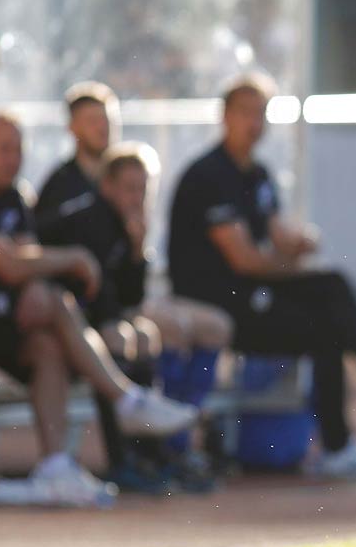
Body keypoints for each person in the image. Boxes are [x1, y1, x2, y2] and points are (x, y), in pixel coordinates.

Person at [0, 114, 198, 502]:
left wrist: (37, 272)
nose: (14, 158)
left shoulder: (14, 197)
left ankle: (56, 467)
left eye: (19, 149)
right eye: (4, 148)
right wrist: (72, 258)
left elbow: (24, 259)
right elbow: (9, 262)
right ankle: (124, 401)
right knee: (52, 301)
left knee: (47, 343)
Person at [168, 73, 356, 480]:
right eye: (246, 113)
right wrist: (288, 260)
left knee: (332, 284)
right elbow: (245, 260)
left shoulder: (257, 174)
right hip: (218, 300)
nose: (255, 123)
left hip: (249, 291)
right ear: (225, 116)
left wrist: (299, 243)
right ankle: (341, 441)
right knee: (326, 328)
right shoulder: (208, 176)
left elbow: (275, 236)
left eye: (261, 114)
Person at [41, 141, 232, 492]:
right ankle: (122, 459)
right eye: (129, 188)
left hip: (84, 320)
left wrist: (136, 252)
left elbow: (132, 300)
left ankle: (154, 453)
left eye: (143, 190)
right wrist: (116, 319)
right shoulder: (91, 220)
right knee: (119, 336)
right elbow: (97, 299)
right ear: (107, 186)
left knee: (142, 332)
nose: (136, 198)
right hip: (51, 319)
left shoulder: (124, 226)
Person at [36, 82, 118, 232]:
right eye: (92, 121)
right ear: (72, 127)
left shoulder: (121, 179)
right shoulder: (59, 186)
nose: (102, 128)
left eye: (106, 120)